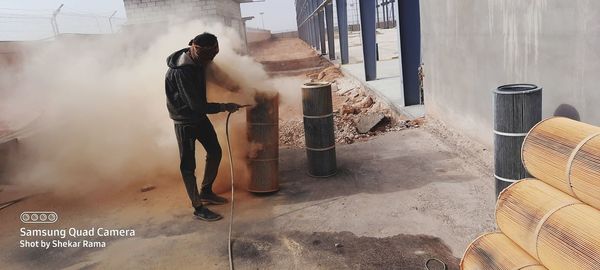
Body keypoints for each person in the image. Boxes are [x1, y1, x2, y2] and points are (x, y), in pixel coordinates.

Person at [165, 32, 241, 221]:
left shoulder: (201, 59)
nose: (211, 61)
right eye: (208, 57)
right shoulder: (182, 71)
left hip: (198, 117)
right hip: (184, 120)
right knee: (188, 165)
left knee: (215, 151)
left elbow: (217, 75)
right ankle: (198, 208)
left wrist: (237, 87)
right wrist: (224, 106)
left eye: (213, 56)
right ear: (195, 49)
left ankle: (206, 191)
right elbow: (196, 105)